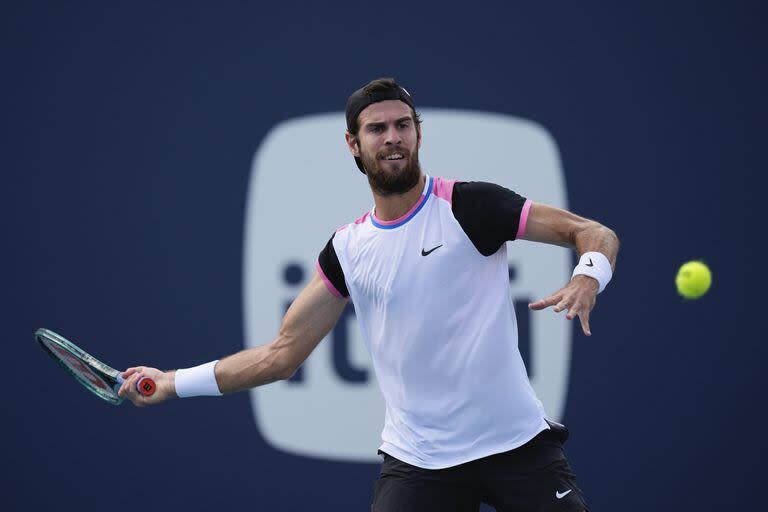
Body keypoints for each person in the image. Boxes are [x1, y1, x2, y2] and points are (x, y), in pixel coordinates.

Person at [119, 78, 619, 512]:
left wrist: (586, 277)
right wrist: (171, 382)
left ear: (419, 134)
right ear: (353, 144)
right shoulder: (348, 250)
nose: (393, 138)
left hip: (517, 446)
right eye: (377, 129)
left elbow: (592, 231)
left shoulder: (471, 206)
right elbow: (280, 356)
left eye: (403, 125)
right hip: (418, 462)